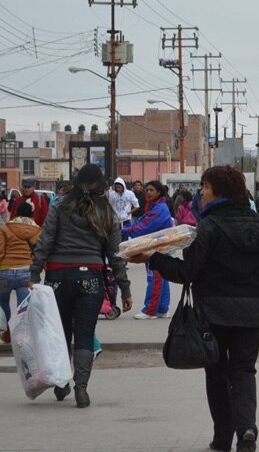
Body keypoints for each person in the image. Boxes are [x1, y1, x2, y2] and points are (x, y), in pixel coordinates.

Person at [126, 165, 259, 452]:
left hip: (213, 314)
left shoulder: (207, 227)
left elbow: (188, 273)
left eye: (205, 187)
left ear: (218, 191)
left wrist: (152, 259)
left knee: (217, 373)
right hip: (249, 315)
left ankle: (222, 439)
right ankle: (246, 428)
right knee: (244, 371)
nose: (202, 194)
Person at [29, 163, 132, 407]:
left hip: (56, 279)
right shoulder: (107, 212)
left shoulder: (59, 206)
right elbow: (116, 255)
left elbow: (44, 242)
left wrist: (33, 274)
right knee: (84, 334)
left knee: (60, 333)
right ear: (102, 186)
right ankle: (81, 389)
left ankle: (62, 382)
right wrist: (125, 290)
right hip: (90, 279)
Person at [123, 180, 173, 319]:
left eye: (151, 190)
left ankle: (150, 310)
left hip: (156, 248)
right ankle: (162, 309)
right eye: (147, 190)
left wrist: (125, 230)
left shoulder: (159, 208)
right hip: (158, 247)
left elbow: (144, 226)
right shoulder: (156, 206)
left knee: (155, 278)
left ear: (158, 192)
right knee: (161, 278)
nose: (148, 192)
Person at [0, 201, 41, 342]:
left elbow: (0, 250)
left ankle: (6, 331)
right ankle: (22, 336)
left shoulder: (5, 227)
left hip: (5, 271)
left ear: (16, 213)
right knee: (23, 306)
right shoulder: (37, 230)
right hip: (26, 272)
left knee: (2, 301)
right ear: (31, 214)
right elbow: (39, 252)